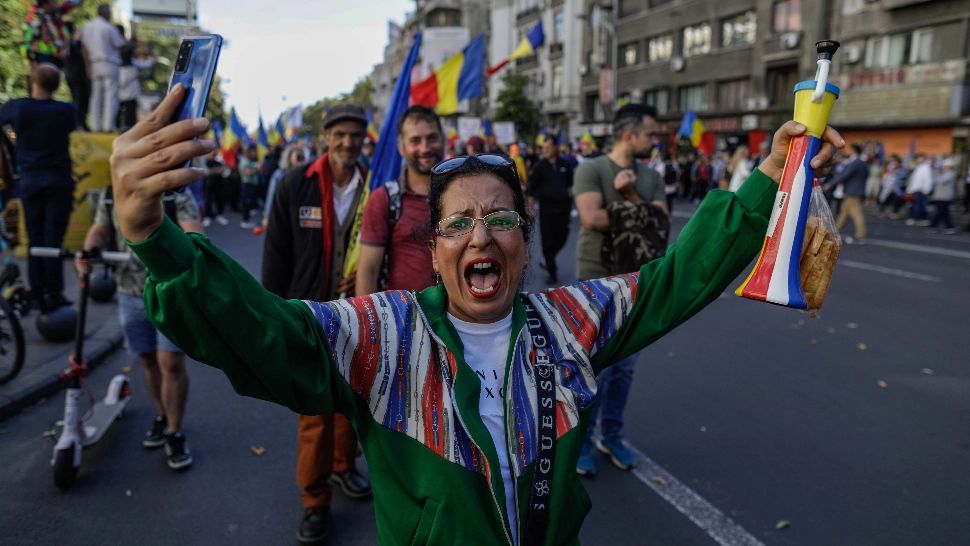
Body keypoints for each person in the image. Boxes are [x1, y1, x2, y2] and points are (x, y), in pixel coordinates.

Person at [108, 85, 842, 546]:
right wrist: (155, 238)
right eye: (458, 225)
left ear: (525, 241)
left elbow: (674, 280)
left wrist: (766, 183)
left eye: (500, 220)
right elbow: (266, 330)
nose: (480, 237)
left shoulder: (573, 320)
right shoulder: (382, 336)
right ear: (433, 248)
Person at [262, 103, 373, 543]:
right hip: (307, 315)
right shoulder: (295, 184)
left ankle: (345, 467)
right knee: (314, 412)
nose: (348, 143)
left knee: (352, 403)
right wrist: (274, 314)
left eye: (356, 135)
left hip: (359, 315)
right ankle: (314, 499)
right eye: (340, 134)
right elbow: (276, 256)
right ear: (326, 136)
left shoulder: (376, 187)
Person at [572, 103, 667, 476]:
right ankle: (580, 443)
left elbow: (658, 225)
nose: (655, 140)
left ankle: (612, 435)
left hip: (637, 278)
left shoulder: (651, 177)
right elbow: (591, 219)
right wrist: (638, 214)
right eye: (650, 134)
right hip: (596, 278)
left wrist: (627, 198)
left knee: (625, 367)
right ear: (629, 135)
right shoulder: (591, 169)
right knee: (595, 367)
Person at [78, 187, 202, 469]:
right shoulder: (112, 193)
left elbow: (194, 231)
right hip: (128, 291)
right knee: (147, 358)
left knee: (170, 362)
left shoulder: (173, 192)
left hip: (169, 292)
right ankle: (161, 415)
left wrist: (191, 248)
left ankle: (175, 430)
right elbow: (99, 229)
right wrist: (89, 251)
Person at [0, 63, 77, 312]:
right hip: (58, 180)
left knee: (35, 238)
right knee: (53, 239)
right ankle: (54, 293)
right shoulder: (65, 110)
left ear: (33, 80)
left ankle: (37, 291)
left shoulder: (18, 107)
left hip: (31, 180)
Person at [356, 105, 442, 295]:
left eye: (432, 138)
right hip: (403, 320)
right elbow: (368, 271)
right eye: (415, 141)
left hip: (458, 319)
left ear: (442, 140)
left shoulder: (464, 195)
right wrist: (368, 323)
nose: (425, 148)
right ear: (401, 147)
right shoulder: (384, 200)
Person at [526, 138, 574, 284]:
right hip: (547, 210)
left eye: (548, 147)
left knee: (562, 238)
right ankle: (552, 272)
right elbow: (531, 189)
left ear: (556, 148)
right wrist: (530, 208)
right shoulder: (540, 167)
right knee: (547, 242)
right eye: (544, 147)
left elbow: (570, 186)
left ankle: (547, 258)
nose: (545, 150)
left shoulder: (565, 165)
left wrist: (572, 203)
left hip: (563, 210)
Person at [80, 3, 126, 132]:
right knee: (111, 95)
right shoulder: (109, 28)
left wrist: (87, 65)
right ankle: (108, 126)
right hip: (110, 63)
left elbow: (83, 48)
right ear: (106, 13)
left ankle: (95, 126)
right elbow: (120, 45)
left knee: (96, 96)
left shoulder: (87, 26)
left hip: (94, 63)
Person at [254, 144, 305, 235]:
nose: (300, 161)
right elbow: (271, 195)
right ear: (289, 157)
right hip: (282, 213)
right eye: (298, 157)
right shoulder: (280, 175)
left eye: (302, 158)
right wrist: (267, 217)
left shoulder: (304, 175)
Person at [20, 0, 79, 68]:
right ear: (45, 4)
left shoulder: (54, 13)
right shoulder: (34, 17)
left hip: (57, 56)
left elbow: (69, 4)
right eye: (54, 1)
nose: (56, 3)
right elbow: (25, 41)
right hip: (43, 57)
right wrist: (30, 62)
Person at [829, 143, 869, 244]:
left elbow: (844, 175)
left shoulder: (855, 163)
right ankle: (835, 232)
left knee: (856, 213)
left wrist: (830, 184)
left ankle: (860, 234)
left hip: (852, 191)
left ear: (854, 151)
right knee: (844, 213)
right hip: (857, 190)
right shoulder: (863, 163)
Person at [928, 157, 956, 233]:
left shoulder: (950, 174)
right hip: (941, 196)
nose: (943, 167)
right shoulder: (944, 173)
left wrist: (935, 173)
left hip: (944, 197)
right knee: (944, 213)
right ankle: (950, 227)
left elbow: (941, 181)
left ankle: (933, 226)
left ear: (949, 166)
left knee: (939, 212)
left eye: (945, 166)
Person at [906, 154, 934, 226]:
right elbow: (913, 180)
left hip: (920, 190)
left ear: (923, 159)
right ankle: (921, 219)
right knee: (918, 205)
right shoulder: (918, 167)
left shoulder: (926, 168)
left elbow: (928, 180)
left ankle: (915, 219)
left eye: (920, 159)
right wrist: (909, 189)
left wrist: (926, 190)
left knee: (918, 206)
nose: (918, 160)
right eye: (918, 159)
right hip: (914, 189)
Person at [237, 145, 260, 229]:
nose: (255, 153)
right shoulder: (245, 161)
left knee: (249, 203)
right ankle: (245, 221)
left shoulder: (250, 161)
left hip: (250, 185)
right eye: (253, 151)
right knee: (246, 203)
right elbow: (248, 173)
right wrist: (257, 168)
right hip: (247, 185)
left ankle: (247, 220)